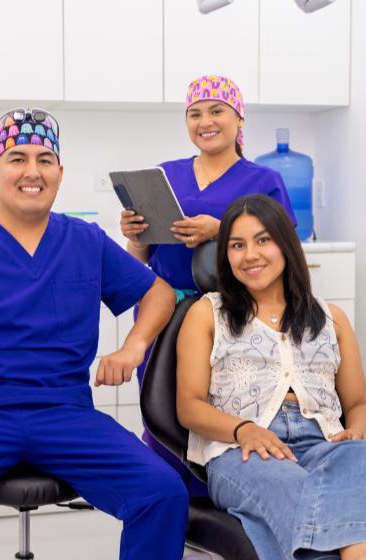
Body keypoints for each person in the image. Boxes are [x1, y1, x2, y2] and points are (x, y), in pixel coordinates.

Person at [0, 108, 188, 560]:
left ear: (59, 173)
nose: (32, 171)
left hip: (65, 414)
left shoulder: (85, 240)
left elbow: (160, 293)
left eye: (45, 160)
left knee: (163, 492)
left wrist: (133, 346)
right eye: (17, 158)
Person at [175, 194, 366, 560]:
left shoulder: (331, 318)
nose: (250, 254)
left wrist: (360, 432)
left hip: (326, 445)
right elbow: (188, 406)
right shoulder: (207, 314)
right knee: (288, 485)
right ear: (226, 255)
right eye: (237, 245)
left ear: (285, 245)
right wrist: (244, 430)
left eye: (263, 240)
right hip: (242, 452)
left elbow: (358, 404)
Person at [120, 75, 298, 497]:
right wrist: (133, 233)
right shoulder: (163, 175)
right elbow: (137, 259)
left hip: (233, 317)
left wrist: (222, 231)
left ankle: (221, 512)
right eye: (195, 113)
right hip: (163, 313)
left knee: (221, 416)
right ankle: (169, 513)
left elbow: (285, 254)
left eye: (217, 110)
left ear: (239, 120)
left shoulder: (263, 179)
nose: (206, 121)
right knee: (163, 416)